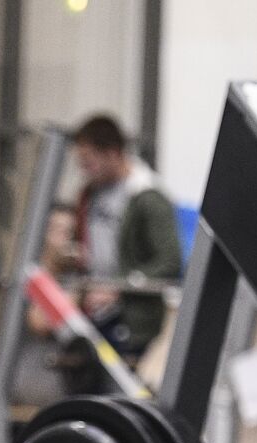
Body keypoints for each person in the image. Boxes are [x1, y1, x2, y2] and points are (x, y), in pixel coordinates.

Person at [45, 114, 182, 368]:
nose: (84, 171)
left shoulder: (147, 197)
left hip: (131, 319)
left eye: (89, 162)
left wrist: (118, 288)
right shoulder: (89, 194)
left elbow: (169, 261)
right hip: (92, 311)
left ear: (112, 153)